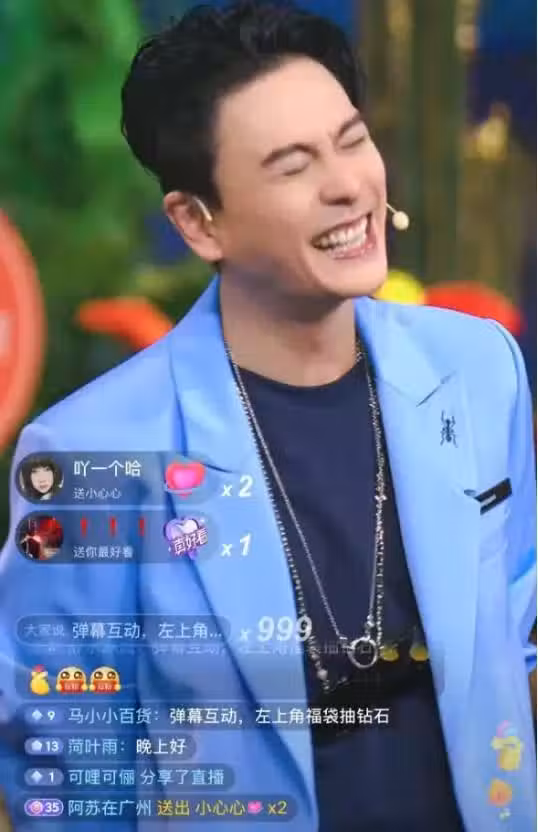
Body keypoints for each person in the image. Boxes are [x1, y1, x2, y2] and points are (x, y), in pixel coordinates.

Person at [0, 2, 535, 830]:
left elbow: (515, 632)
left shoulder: (477, 367)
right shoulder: (90, 451)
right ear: (198, 222)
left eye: (352, 140)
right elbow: (65, 760)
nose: (348, 185)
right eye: (293, 167)